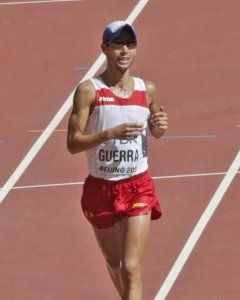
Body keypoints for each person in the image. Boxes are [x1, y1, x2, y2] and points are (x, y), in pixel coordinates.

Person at [67, 20, 168, 300]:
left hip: (138, 184)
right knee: (115, 265)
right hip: (101, 188)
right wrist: (110, 133)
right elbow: (73, 143)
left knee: (132, 268)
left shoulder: (146, 89)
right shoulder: (89, 91)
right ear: (105, 49)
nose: (124, 51)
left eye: (130, 44)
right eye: (117, 45)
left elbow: (156, 130)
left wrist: (159, 126)